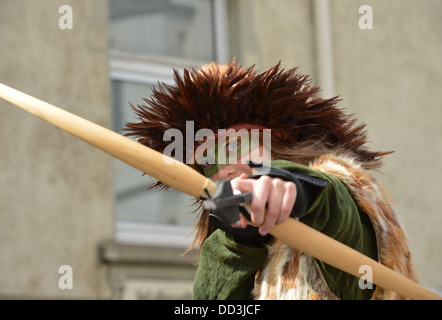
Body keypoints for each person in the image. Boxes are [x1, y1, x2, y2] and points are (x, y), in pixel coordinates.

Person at [125, 61, 418, 300]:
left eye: (231, 147)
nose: (222, 170)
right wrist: (239, 244)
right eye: (208, 164)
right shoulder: (230, 243)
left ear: (277, 143)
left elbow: (337, 209)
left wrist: (293, 188)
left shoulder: (343, 194)